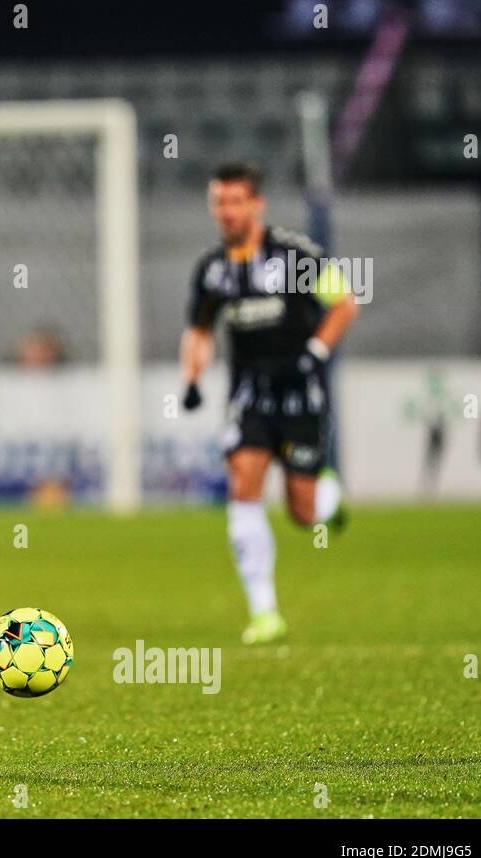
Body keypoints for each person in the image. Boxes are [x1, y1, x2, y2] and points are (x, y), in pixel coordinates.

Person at [180, 162, 358, 644]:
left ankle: (326, 494)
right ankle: (264, 612)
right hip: (249, 393)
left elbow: (344, 304)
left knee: (303, 514)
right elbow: (199, 332)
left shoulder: (295, 256)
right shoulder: (213, 270)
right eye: (219, 202)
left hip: (300, 390)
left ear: (256, 204)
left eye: (236, 201)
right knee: (243, 484)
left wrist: (316, 351)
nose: (227, 211)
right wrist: (192, 376)